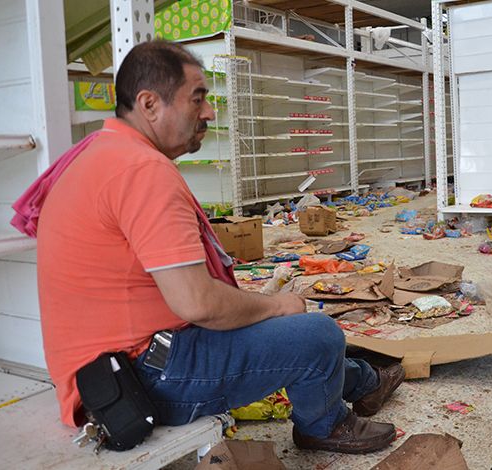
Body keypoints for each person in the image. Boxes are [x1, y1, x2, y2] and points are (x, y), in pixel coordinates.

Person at [30, 41, 404, 454]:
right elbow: (198, 304)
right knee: (317, 333)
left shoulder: (99, 155)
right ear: (150, 104)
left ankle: (366, 382)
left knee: (276, 327)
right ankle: (324, 425)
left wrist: (259, 310)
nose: (208, 112)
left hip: (105, 376)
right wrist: (276, 305)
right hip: (144, 381)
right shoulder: (142, 171)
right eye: (198, 98)